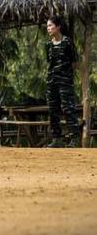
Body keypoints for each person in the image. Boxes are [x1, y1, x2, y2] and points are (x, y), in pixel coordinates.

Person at [45, 15, 80, 148]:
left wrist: (67, 77)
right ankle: (56, 139)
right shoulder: (48, 45)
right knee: (53, 110)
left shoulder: (67, 42)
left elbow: (74, 62)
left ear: (58, 26)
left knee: (68, 109)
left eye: (50, 25)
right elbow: (49, 63)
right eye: (47, 26)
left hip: (65, 82)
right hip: (51, 82)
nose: (48, 28)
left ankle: (74, 139)